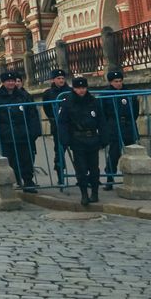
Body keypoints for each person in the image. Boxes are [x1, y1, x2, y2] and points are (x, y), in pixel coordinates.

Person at [0, 71, 40, 192]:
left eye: (13, 81)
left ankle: (28, 181)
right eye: (8, 81)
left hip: (23, 133)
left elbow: (32, 114)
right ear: (3, 82)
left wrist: (34, 132)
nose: (11, 83)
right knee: (10, 160)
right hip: (7, 134)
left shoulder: (23, 95)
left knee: (26, 158)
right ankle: (14, 181)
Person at [58, 76, 103, 206]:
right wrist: (65, 139)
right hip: (77, 140)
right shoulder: (68, 103)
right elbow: (63, 123)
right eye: (78, 88)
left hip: (93, 138)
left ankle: (95, 193)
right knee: (81, 169)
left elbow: (101, 121)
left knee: (94, 169)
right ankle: (84, 194)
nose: (81, 91)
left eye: (83, 88)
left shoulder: (93, 101)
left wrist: (104, 138)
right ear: (74, 88)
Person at [99, 69, 141, 190]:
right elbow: (102, 111)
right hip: (113, 124)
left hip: (128, 123)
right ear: (110, 82)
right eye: (116, 81)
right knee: (114, 153)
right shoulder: (105, 94)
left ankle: (134, 178)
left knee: (132, 151)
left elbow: (135, 109)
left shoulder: (128, 92)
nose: (118, 83)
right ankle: (110, 178)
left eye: (120, 81)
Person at [40, 68, 72, 186]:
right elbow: (47, 109)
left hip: (72, 125)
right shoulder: (48, 93)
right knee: (59, 151)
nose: (61, 80)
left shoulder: (70, 91)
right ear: (53, 80)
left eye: (63, 78)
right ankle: (60, 176)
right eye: (58, 78)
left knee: (79, 151)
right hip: (58, 126)